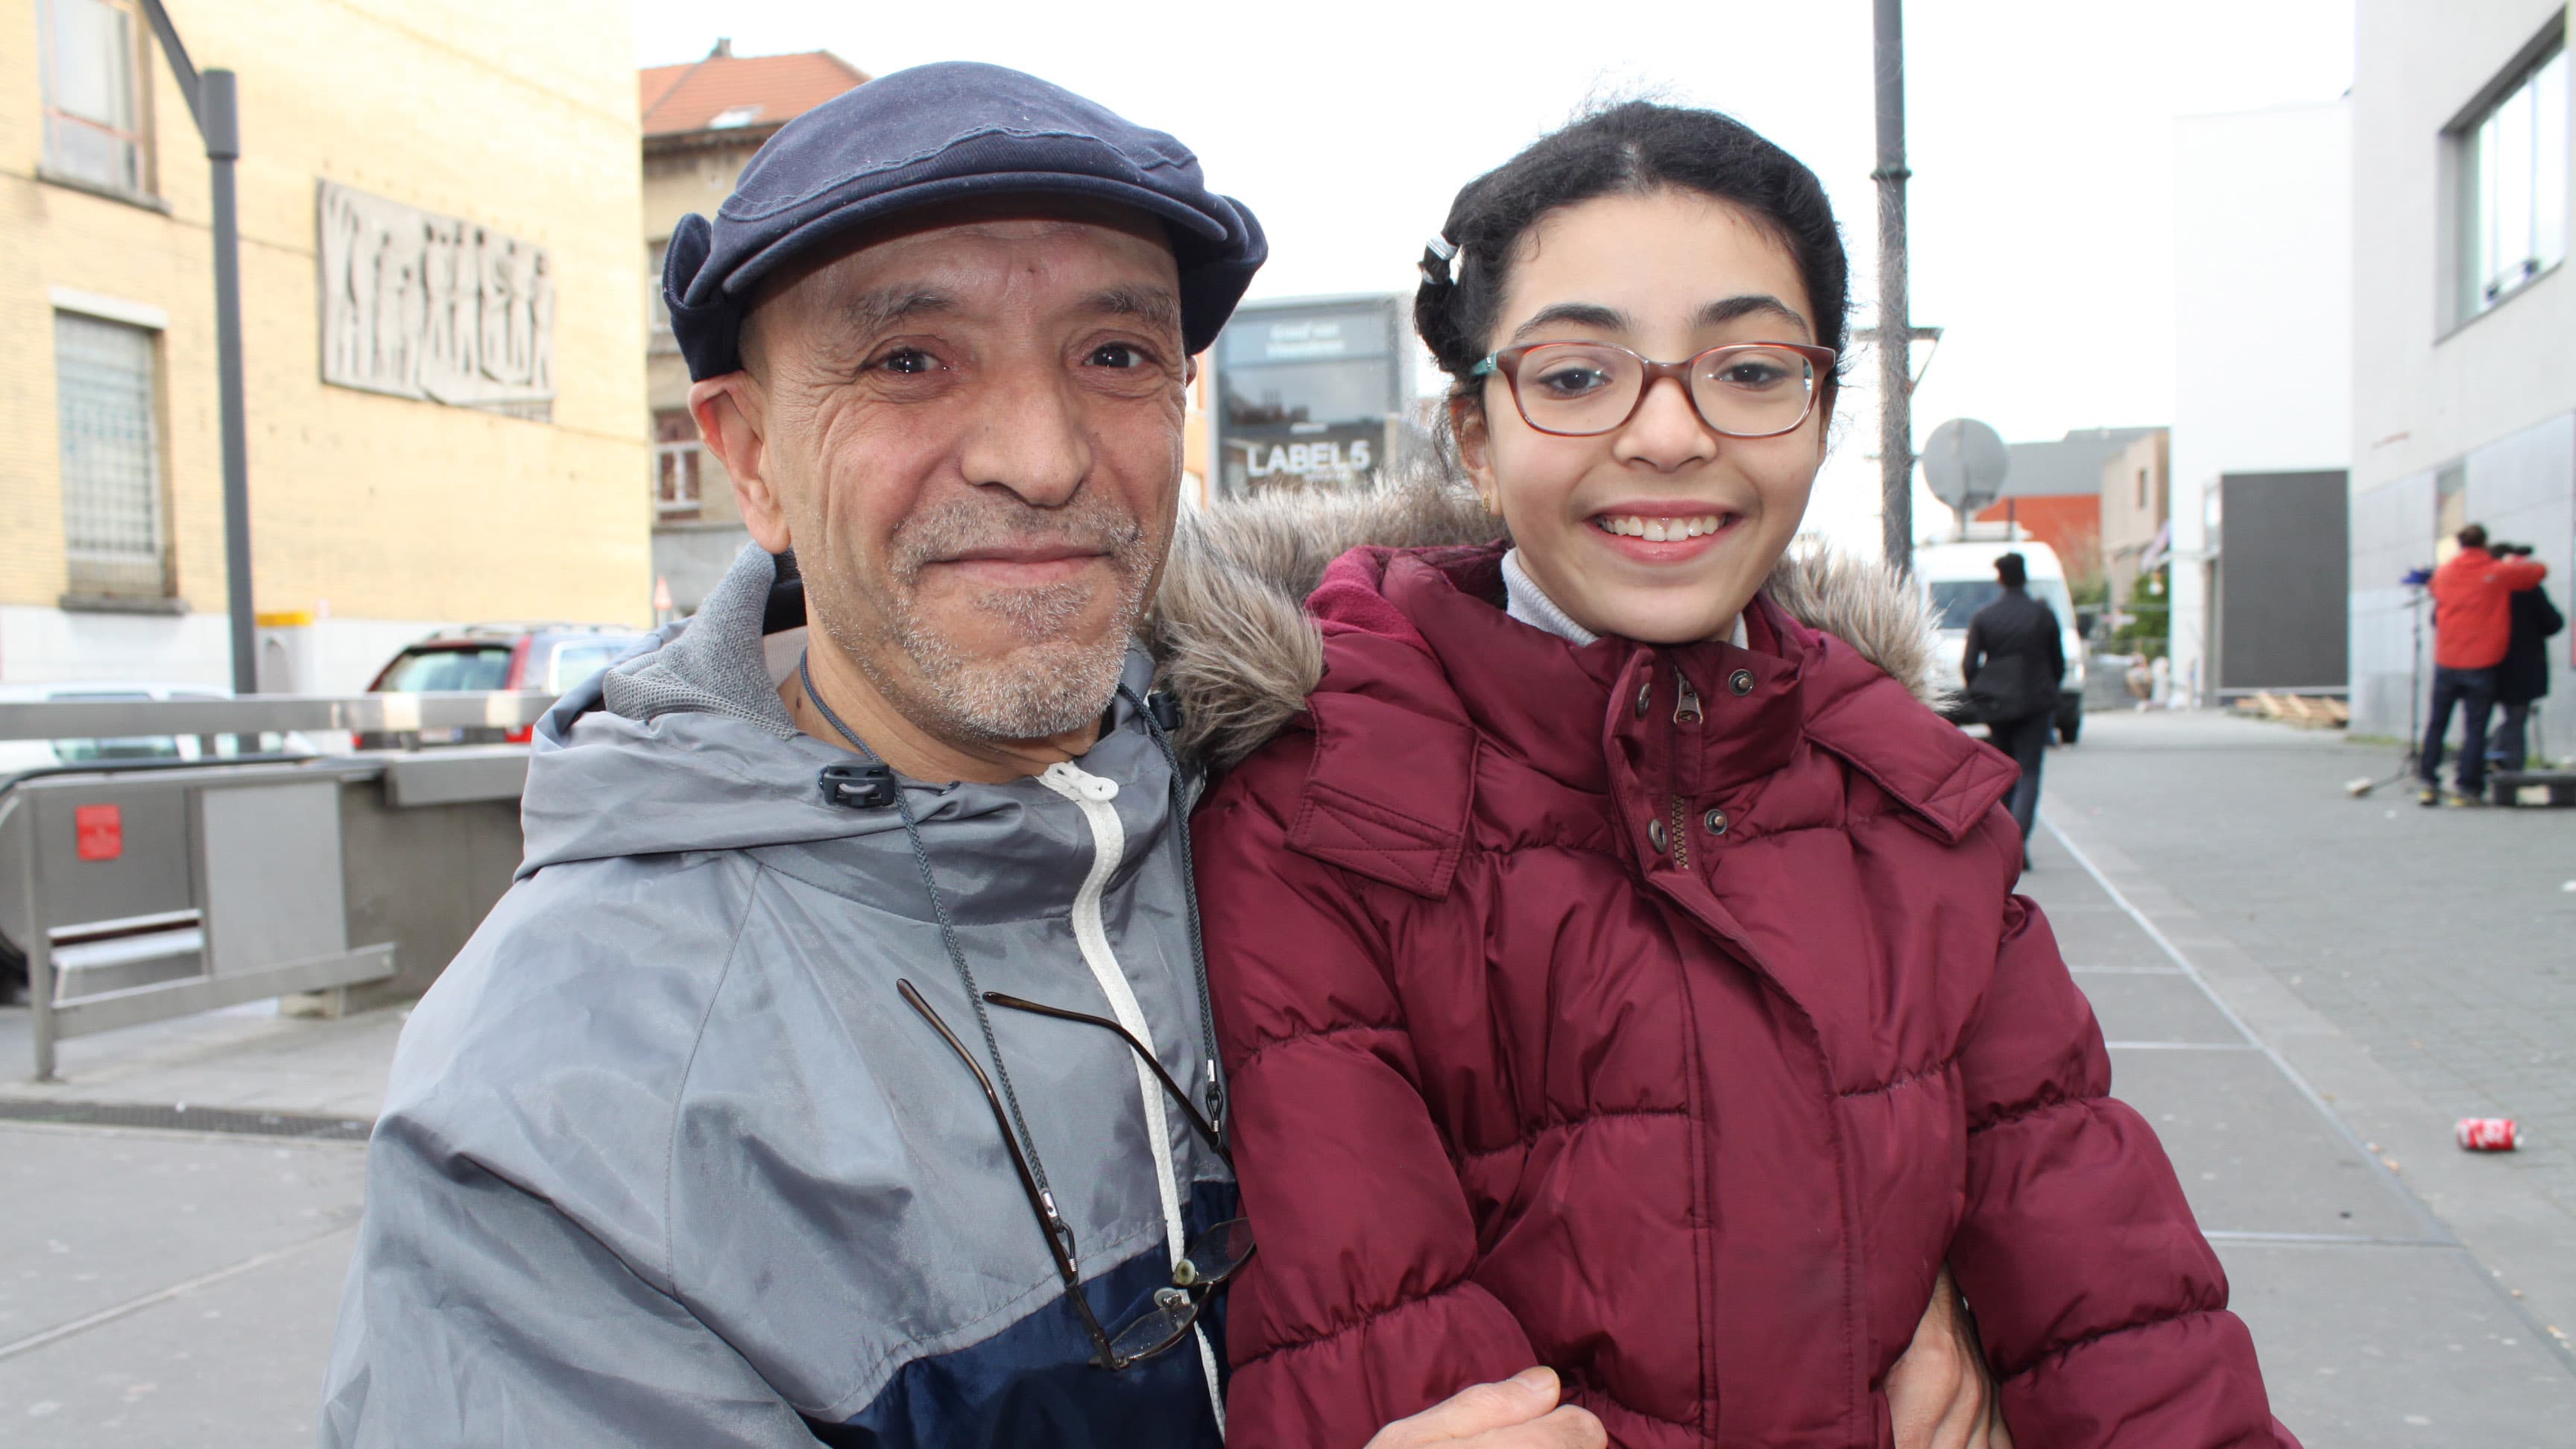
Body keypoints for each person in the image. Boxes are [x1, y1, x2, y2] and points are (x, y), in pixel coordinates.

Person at [319, 63, 1612, 1448]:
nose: (1039, 454)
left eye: (1114, 355)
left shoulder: (1328, 808)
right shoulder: (560, 1105)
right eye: (910, 360)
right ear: (748, 456)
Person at [1170, 102, 2296, 1446]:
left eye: (1750, 368)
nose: (1668, 435)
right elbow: (1396, 1362)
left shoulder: (1911, 798)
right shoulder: (1324, 811)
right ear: (1475, 435)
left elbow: (2116, 1303)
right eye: (1578, 375)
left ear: (1821, 411)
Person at [2422, 523, 2549, 806]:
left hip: (2446, 659)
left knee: (2436, 724)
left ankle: (2428, 781)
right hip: (2481, 661)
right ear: (2485, 543)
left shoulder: (2445, 573)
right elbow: (2538, 573)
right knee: (2475, 728)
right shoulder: (2496, 572)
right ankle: (2467, 787)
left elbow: (2433, 590)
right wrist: (2519, 561)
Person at [1963, 551, 2065, 861]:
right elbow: (2057, 661)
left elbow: (1969, 665)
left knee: (2004, 771)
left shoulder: (1985, 616)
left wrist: (1981, 691)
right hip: (2035, 699)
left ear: (2000, 578)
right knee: (2030, 770)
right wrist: (2049, 689)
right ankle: (2019, 841)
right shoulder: (2042, 614)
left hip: (1997, 704)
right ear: (2025, 576)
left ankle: (2004, 842)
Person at [2486, 542, 2562, 774]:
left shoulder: (2482, 585)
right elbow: (2553, 623)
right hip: (2522, 663)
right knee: (2516, 717)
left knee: (2478, 719)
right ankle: (2510, 770)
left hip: (2483, 662)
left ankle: (2482, 761)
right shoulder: (2527, 586)